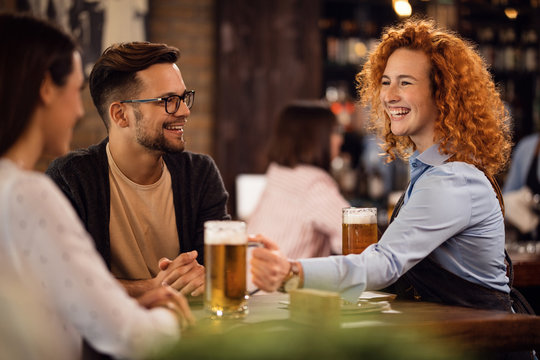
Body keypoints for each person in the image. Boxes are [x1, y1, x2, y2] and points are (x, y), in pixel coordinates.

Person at [250, 19, 514, 311]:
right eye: (386, 82)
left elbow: (386, 262)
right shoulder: (433, 172)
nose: (389, 95)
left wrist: (292, 271)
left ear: (442, 92)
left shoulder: (452, 180)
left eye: (405, 82)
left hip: (487, 344)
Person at [0, 12, 194, 359]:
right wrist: (168, 310)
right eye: (75, 90)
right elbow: (133, 340)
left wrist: (129, 306)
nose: (79, 111)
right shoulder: (27, 194)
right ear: (46, 88)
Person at [46, 41, 230, 298]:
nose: (185, 111)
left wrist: (202, 277)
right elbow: (62, 279)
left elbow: (218, 271)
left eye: (184, 97)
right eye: (168, 100)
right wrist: (152, 287)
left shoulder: (199, 174)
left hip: (190, 332)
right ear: (121, 115)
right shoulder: (72, 178)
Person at [246, 101, 350, 259]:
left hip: (249, 279)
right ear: (314, 137)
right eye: (334, 131)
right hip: (281, 282)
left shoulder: (279, 172)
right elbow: (354, 238)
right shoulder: (312, 184)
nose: (340, 140)